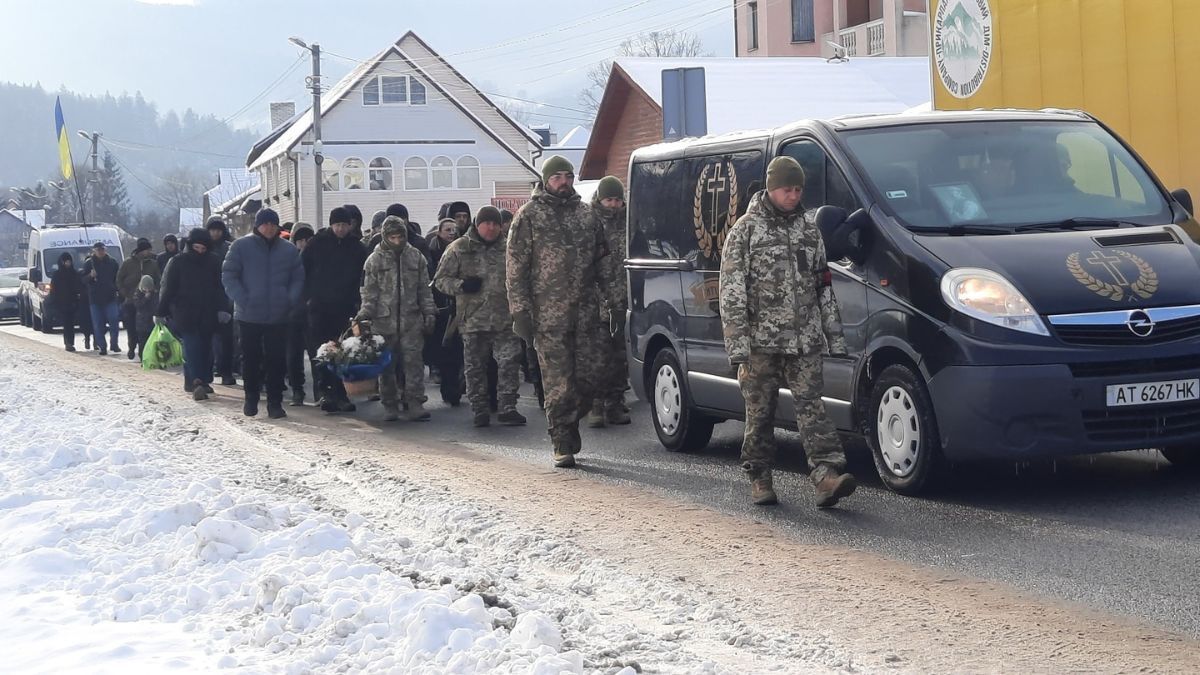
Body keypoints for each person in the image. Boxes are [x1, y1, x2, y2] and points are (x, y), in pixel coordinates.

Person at [718, 156, 857, 508]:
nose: (793, 196)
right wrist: (737, 346)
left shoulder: (809, 230)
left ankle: (826, 475)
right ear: (770, 187)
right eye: (786, 189)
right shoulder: (745, 231)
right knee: (760, 413)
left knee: (812, 407)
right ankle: (760, 475)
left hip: (804, 339)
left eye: (797, 189)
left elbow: (823, 284)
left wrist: (834, 336)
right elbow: (731, 291)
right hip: (759, 343)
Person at [506, 155, 620, 467]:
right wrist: (520, 313)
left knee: (591, 377)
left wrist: (616, 302)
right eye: (557, 177)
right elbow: (516, 270)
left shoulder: (586, 215)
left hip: (586, 313)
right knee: (559, 383)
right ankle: (562, 439)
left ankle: (572, 419)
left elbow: (604, 263)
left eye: (568, 176)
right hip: (547, 316)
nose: (564, 182)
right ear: (545, 180)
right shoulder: (528, 217)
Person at [433, 206, 527, 428]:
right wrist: (462, 285)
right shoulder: (459, 248)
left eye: (495, 223)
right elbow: (440, 280)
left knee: (509, 363)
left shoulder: (509, 248)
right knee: (475, 368)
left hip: (505, 319)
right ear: (477, 224)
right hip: (473, 320)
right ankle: (480, 409)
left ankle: (507, 407)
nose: (491, 228)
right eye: (487, 223)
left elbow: (523, 277)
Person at [222, 208, 305, 419]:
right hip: (249, 314)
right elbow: (229, 275)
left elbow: (298, 278)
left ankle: (275, 403)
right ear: (257, 225)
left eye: (272, 224)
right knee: (250, 358)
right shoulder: (241, 246)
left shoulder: (288, 250)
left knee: (276, 360)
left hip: (279, 314)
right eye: (265, 224)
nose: (269, 228)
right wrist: (242, 298)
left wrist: (289, 298)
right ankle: (251, 398)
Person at [358, 216, 436, 422]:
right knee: (387, 367)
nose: (397, 241)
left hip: (411, 319)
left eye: (400, 236)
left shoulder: (415, 257)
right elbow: (369, 292)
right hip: (384, 321)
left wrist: (429, 313)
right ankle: (390, 404)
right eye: (392, 237)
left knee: (414, 364)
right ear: (384, 237)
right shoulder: (374, 260)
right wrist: (365, 314)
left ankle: (415, 403)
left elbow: (424, 290)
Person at [302, 207, 368, 413]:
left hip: (345, 307)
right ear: (331, 225)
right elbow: (303, 272)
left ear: (350, 226)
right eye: (337, 225)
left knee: (342, 352)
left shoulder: (357, 248)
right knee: (322, 351)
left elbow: (362, 277)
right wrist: (307, 298)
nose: (340, 229)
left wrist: (358, 302)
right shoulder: (317, 244)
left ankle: (341, 393)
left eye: (344, 225)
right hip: (319, 307)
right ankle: (325, 392)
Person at [157, 227, 227, 401]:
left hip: (208, 312)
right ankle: (197, 382)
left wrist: (223, 308)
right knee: (192, 346)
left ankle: (201, 379)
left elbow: (220, 288)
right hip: (185, 312)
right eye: (197, 248)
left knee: (206, 349)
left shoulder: (213, 262)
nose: (200, 252)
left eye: (203, 249)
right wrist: (161, 311)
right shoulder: (178, 262)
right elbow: (169, 288)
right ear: (190, 246)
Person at [586, 176, 632, 428]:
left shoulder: (628, 223)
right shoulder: (589, 222)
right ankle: (596, 405)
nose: (613, 205)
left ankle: (615, 403)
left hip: (624, 302)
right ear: (599, 199)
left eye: (617, 200)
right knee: (597, 357)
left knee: (620, 357)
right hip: (598, 304)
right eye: (609, 199)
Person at [425, 217, 464, 406]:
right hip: (439, 307)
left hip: (458, 308)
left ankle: (453, 389)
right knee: (441, 350)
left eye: (454, 229)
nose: (451, 232)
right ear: (439, 232)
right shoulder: (430, 252)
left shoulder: (461, 250)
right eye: (447, 229)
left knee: (455, 352)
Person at [116, 237, 161, 360]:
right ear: (141, 250)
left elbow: (158, 279)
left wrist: (155, 291)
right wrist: (125, 293)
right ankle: (131, 346)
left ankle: (145, 351)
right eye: (146, 250)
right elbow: (119, 279)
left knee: (145, 328)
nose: (148, 252)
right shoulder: (128, 263)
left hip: (147, 302)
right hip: (131, 301)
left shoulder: (152, 263)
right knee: (131, 327)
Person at [207, 216, 237, 386]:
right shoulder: (203, 248)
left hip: (226, 297)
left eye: (218, 230)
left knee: (226, 340)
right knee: (209, 339)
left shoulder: (228, 249)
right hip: (208, 298)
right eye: (213, 230)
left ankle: (226, 371)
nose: (215, 233)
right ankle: (210, 371)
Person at [287, 223, 315, 405]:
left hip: (312, 312)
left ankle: (321, 389)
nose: (304, 243)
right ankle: (297, 389)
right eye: (300, 240)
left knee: (315, 353)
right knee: (293, 354)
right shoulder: (289, 259)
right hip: (292, 313)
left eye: (307, 240)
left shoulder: (317, 258)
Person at [80, 241, 122, 356]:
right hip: (95, 299)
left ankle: (114, 344)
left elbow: (117, 278)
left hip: (110, 297)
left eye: (102, 249)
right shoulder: (89, 263)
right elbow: (83, 280)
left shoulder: (113, 263)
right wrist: (90, 276)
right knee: (98, 324)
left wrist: (116, 289)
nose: (101, 252)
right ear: (94, 251)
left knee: (114, 320)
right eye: (98, 250)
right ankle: (102, 346)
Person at [49, 252, 84, 352]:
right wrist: (54, 302)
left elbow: (78, 286)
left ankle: (70, 342)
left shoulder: (74, 273)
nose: (68, 263)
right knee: (66, 323)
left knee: (71, 324)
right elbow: (53, 290)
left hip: (73, 302)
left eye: (69, 261)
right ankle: (68, 342)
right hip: (61, 302)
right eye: (66, 262)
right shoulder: (57, 275)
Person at [132, 275, 158, 361]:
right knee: (142, 342)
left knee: (152, 341)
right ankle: (142, 357)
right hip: (142, 323)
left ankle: (152, 357)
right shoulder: (138, 293)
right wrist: (145, 298)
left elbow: (156, 305)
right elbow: (138, 305)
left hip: (151, 322)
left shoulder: (154, 294)